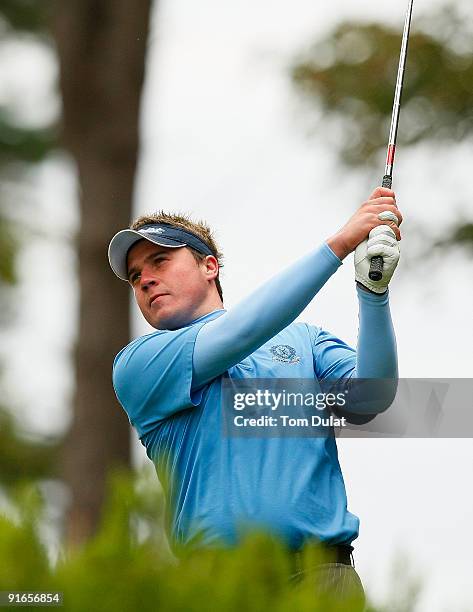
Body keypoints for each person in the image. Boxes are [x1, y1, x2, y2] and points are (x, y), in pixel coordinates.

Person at [108, 186, 402, 609]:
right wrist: (339, 244)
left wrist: (373, 294)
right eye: (136, 276)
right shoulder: (139, 365)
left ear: (209, 266)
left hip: (325, 580)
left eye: (160, 261)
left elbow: (372, 400)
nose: (146, 279)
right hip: (220, 588)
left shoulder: (303, 340)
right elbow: (242, 331)